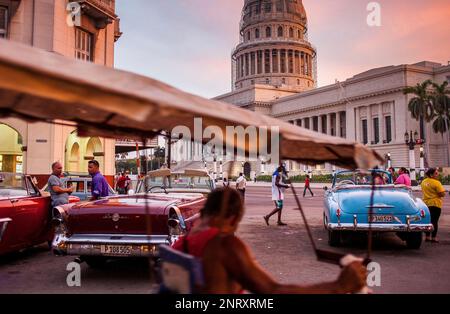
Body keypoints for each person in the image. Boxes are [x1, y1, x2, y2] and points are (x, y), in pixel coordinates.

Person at [173, 188, 367, 294]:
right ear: (232, 219)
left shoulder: (182, 243)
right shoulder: (224, 245)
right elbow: (272, 290)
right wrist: (338, 286)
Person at [421, 168, 446, 243]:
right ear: (431, 175)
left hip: (426, 203)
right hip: (435, 204)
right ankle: (434, 237)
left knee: (428, 220)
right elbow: (442, 193)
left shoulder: (423, 182)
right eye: (436, 173)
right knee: (434, 221)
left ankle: (427, 236)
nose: (437, 174)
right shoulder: (436, 183)